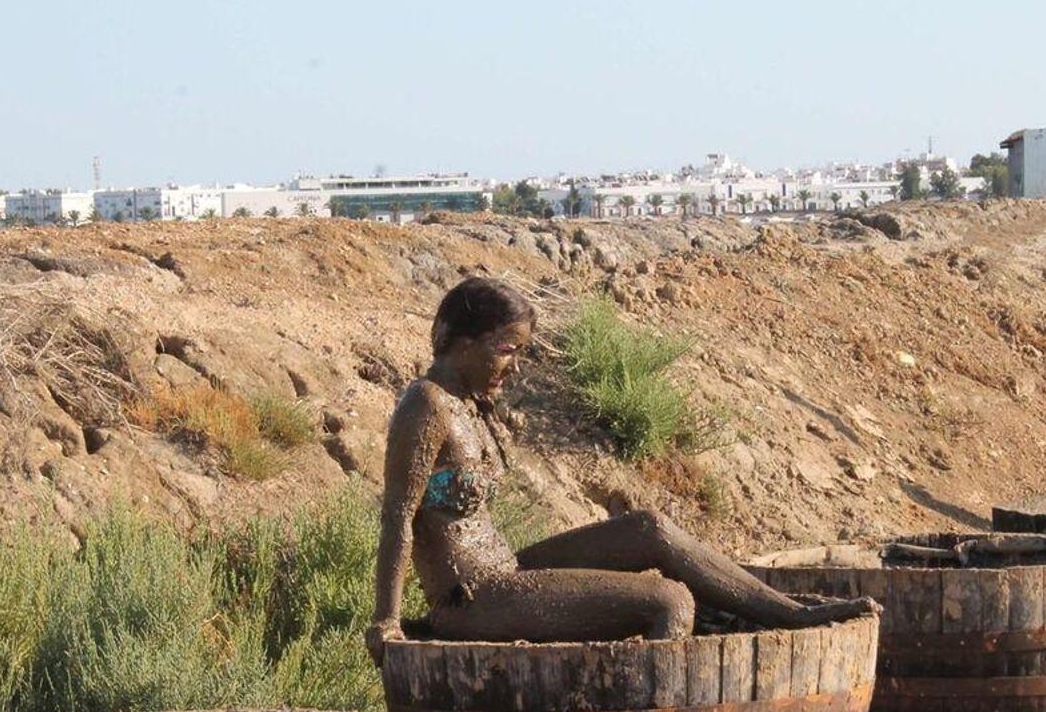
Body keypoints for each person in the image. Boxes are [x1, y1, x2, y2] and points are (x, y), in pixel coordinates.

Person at [366, 277, 877, 664]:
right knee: (670, 601)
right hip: (471, 600)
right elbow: (397, 516)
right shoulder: (426, 404)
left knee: (648, 529)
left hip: (506, 573)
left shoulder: (469, 402)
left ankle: (787, 613)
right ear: (464, 343)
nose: (515, 366)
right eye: (507, 350)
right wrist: (386, 622)